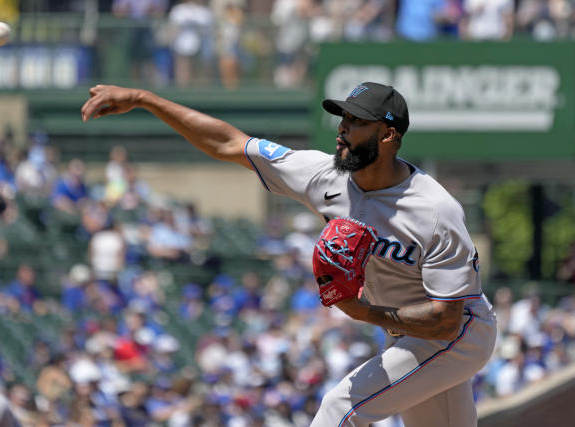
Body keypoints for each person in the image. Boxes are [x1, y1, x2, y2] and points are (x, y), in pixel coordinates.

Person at [81, 82, 498, 426]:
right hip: (407, 332)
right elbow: (229, 143)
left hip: (459, 333)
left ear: (388, 135)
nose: (342, 129)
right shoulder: (324, 176)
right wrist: (145, 100)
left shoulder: (435, 211)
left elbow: (446, 322)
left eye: (356, 122)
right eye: (343, 118)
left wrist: (361, 311)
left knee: (340, 409)